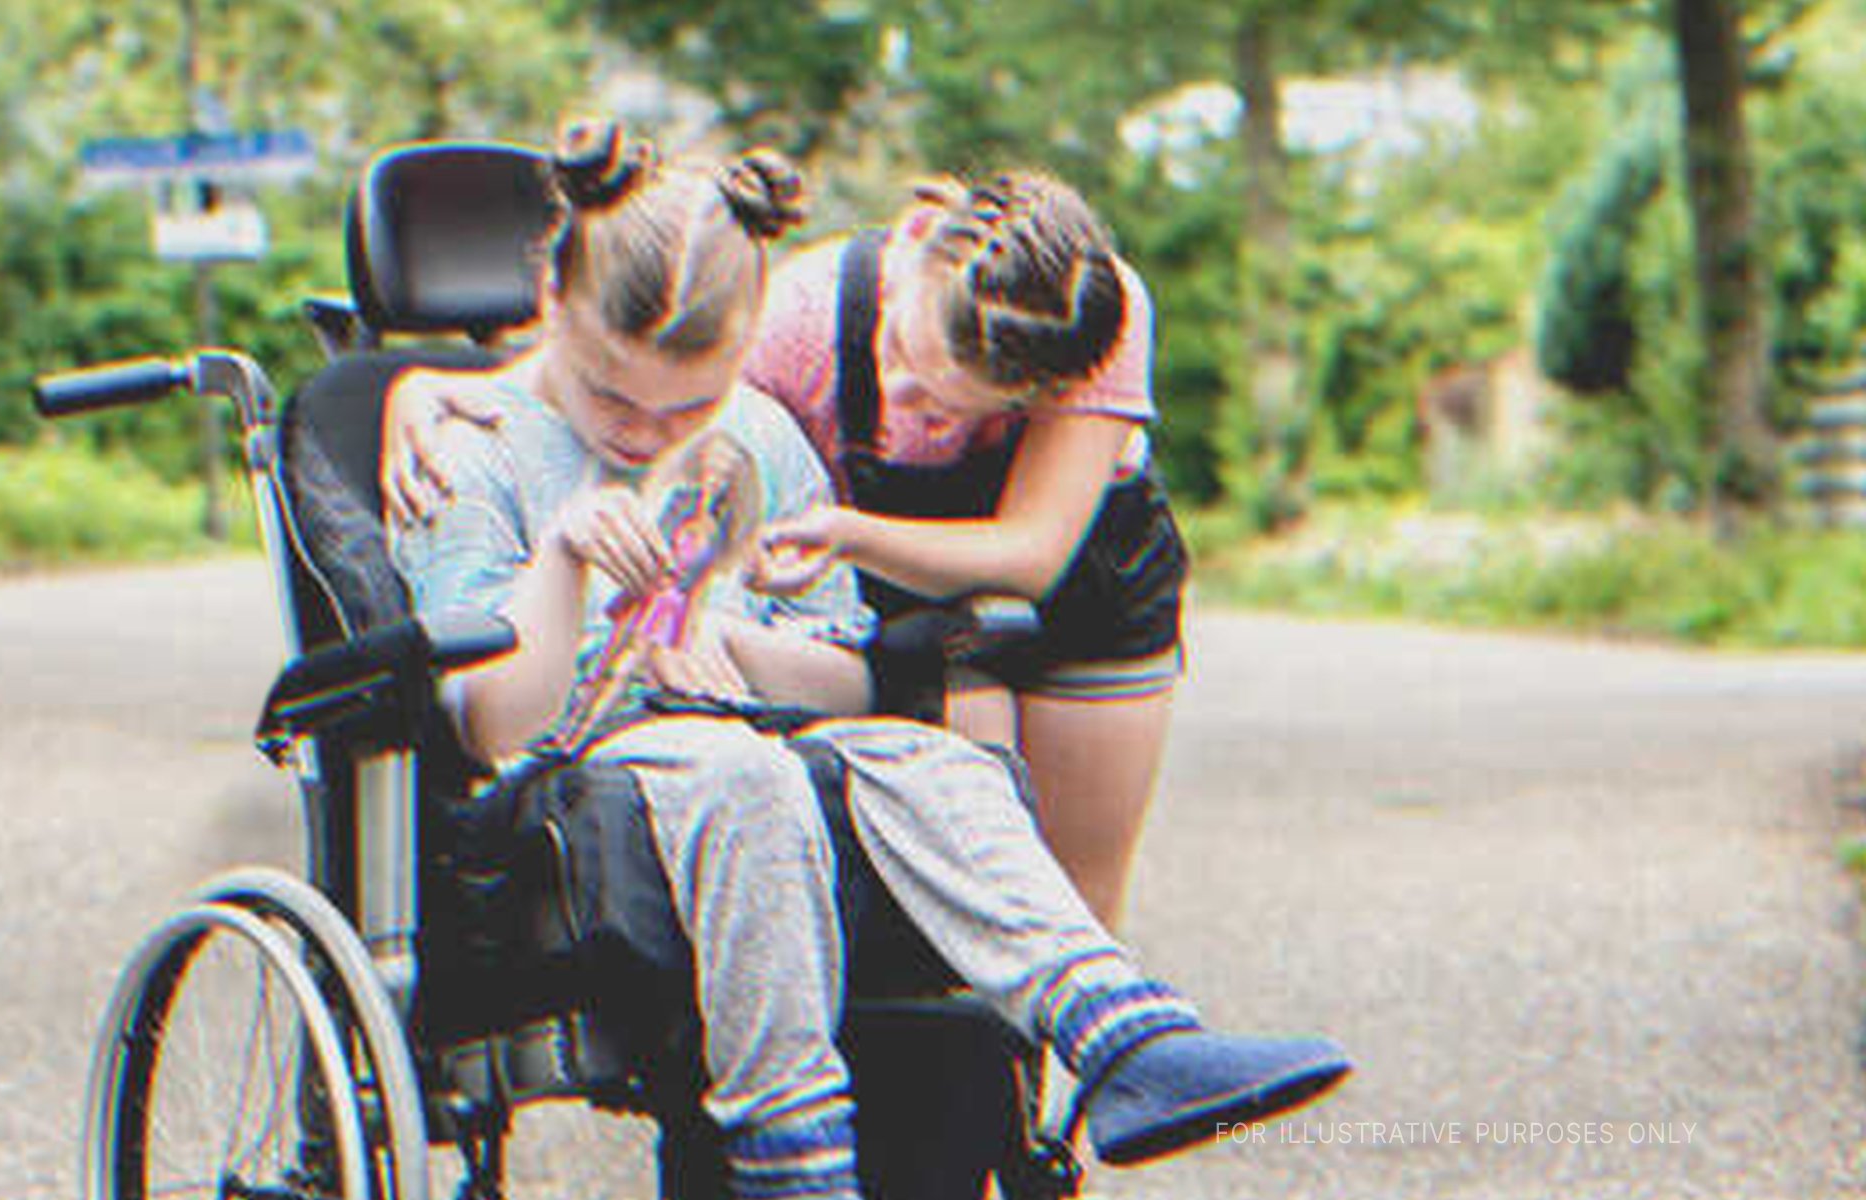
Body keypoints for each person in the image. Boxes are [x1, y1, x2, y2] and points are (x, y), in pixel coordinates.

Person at [388, 118, 1346, 1200]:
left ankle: (1126, 1035)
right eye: (615, 399)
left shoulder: (753, 433)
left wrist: (735, 643)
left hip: (765, 721)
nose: (650, 434)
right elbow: (493, 726)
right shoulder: (474, 450)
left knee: (925, 759)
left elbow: (845, 674)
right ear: (549, 309)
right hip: (583, 767)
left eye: (686, 405)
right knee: (741, 774)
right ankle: (791, 1156)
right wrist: (565, 565)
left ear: (740, 348)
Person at [385, 167, 1186, 934]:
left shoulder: (1089, 309)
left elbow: (1032, 555)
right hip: (866, 571)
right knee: (947, 752)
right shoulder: (795, 320)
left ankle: (1103, 1047)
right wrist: (420, 390)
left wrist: (842, 540)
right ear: (911, 244)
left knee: (1065, 881)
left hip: (1072, 568)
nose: (920, 413)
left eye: (962, 410)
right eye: (904, 365)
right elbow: (635, 370)